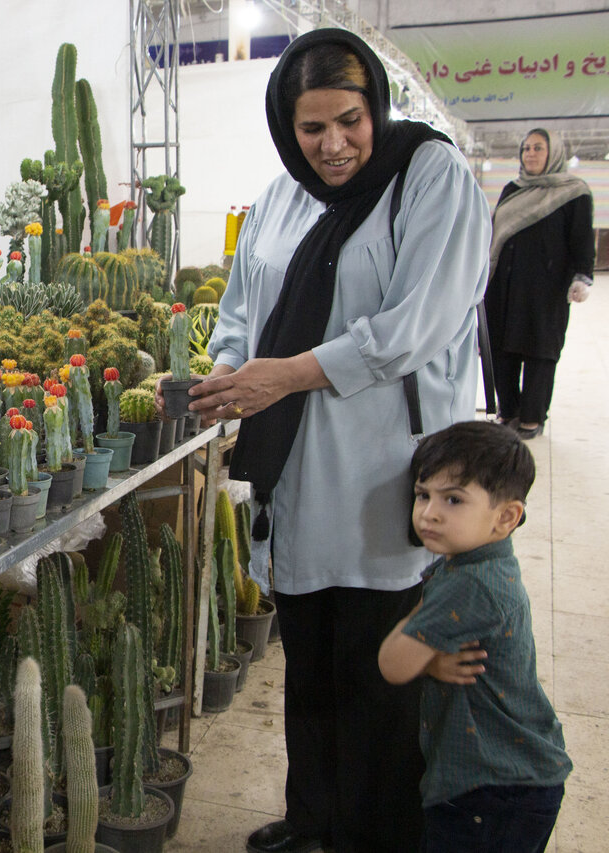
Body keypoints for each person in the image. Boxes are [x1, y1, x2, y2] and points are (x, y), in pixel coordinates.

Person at [185, 29, 492, 853]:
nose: (333, 145)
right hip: (297, 469)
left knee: (380, 668)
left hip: (384, 469)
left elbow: (411, 327)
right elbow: (242, 309)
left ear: (375, 108)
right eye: (311, 127)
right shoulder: (281, 198)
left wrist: (283, 377)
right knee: (311, 664)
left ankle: (375, 833)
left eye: (349, 121)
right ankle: (313, 818)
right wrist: (226, 373)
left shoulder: (429, 179)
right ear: (288, 128)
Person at [379, 421, 570, 852]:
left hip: (493, 790)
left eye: (453, 499)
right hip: (513, 779)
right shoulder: (475, 562)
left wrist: (424, 656)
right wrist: (432, 657)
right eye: (423, 494)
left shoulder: (471, 584)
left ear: (506, 517)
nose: (429, 513)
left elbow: (392, 663)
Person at [484, 129, 595, 439]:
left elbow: (582, 239)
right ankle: (508, 411)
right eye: (526, 148)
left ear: (554, 153)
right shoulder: (513, 189)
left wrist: (582, 276)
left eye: (538, 148)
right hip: (505, 286)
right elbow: (496, 234)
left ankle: (532, 418)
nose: (530, 154)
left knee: (540, 351)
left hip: (546, 290)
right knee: (501, 348)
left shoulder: (574, 192)